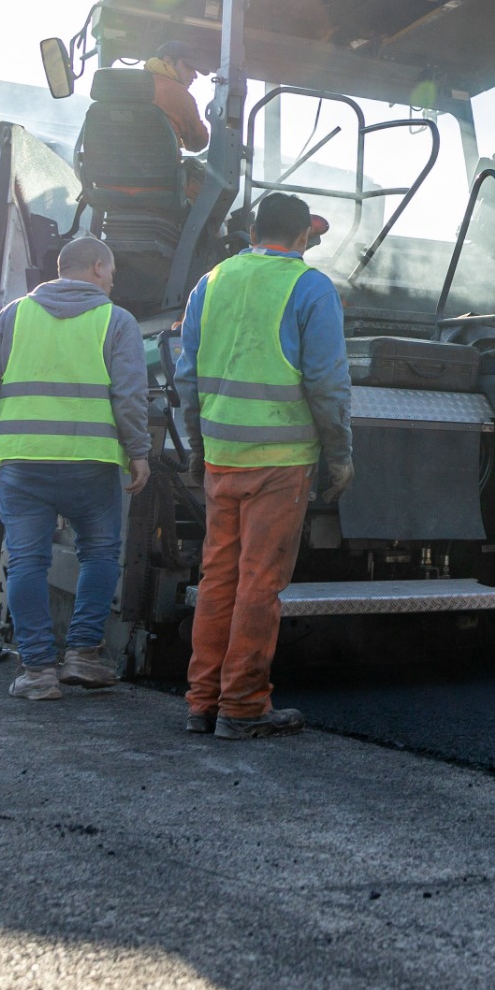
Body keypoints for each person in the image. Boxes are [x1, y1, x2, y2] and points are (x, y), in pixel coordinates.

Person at [0, 236, 151, 701]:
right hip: (90, 464)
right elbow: (130, 396)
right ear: (98, 267)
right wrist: (138, 451)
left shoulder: (14, 315)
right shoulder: (117, 321)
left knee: (26, 561)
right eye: (112, 272)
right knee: (100, 554)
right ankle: (82, 655)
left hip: (24, 461)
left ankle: (37, 670)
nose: (112, 282)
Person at [176, 194, 354, 738]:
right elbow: (326, 382)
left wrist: (198, 445)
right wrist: (339, 454)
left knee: (218, 578)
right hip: (281, 461)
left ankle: (203, 702)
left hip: (222, 457)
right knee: (258, 581)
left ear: (253, 232)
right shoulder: (311, 287)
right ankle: (243, 705)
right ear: (303, 237)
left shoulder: (210, 282)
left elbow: (187, 376)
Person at [147, 40, 211, 152]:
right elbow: (198, 143)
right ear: (168, 61)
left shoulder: (127, 85)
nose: (195, 75)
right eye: (189, 67)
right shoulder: (179, 94)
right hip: (160, 163)